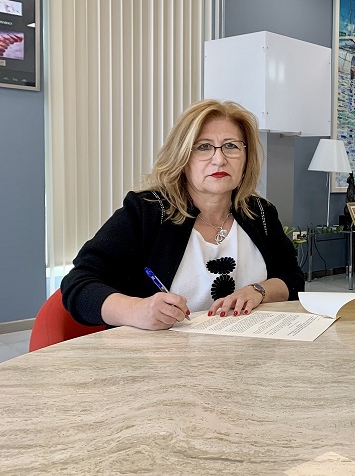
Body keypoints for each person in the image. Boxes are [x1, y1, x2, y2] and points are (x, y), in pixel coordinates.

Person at [61, 99, 305, 330]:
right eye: (203, 147)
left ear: (246, 157)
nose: (219, 159)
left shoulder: (259, 212)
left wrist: (258, 291)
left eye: (231, 146)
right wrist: (137, 310)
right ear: (183, 156)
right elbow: (79, 283)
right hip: (160, 354)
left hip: (249, 349)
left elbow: (292, 278)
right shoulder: (147, 211)